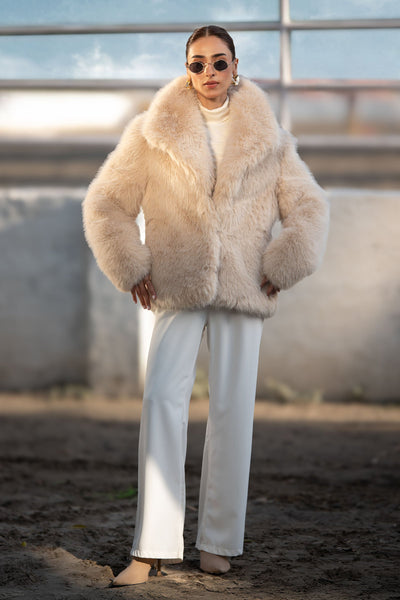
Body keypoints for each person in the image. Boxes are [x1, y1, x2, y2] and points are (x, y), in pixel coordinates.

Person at [82, 25, 329, 585]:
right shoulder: (150, 133)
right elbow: (106, 202)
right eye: (198, 64)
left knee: (233, 411)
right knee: (160, 403)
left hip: (243, 286)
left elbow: (309, 206)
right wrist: (131, 265)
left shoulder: (270, 138)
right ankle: (151, 548)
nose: (210, 73)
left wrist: (283, 264)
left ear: (236, 67)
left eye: (220, 62)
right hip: (177, 283)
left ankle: (218, 543)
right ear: (186, 69)